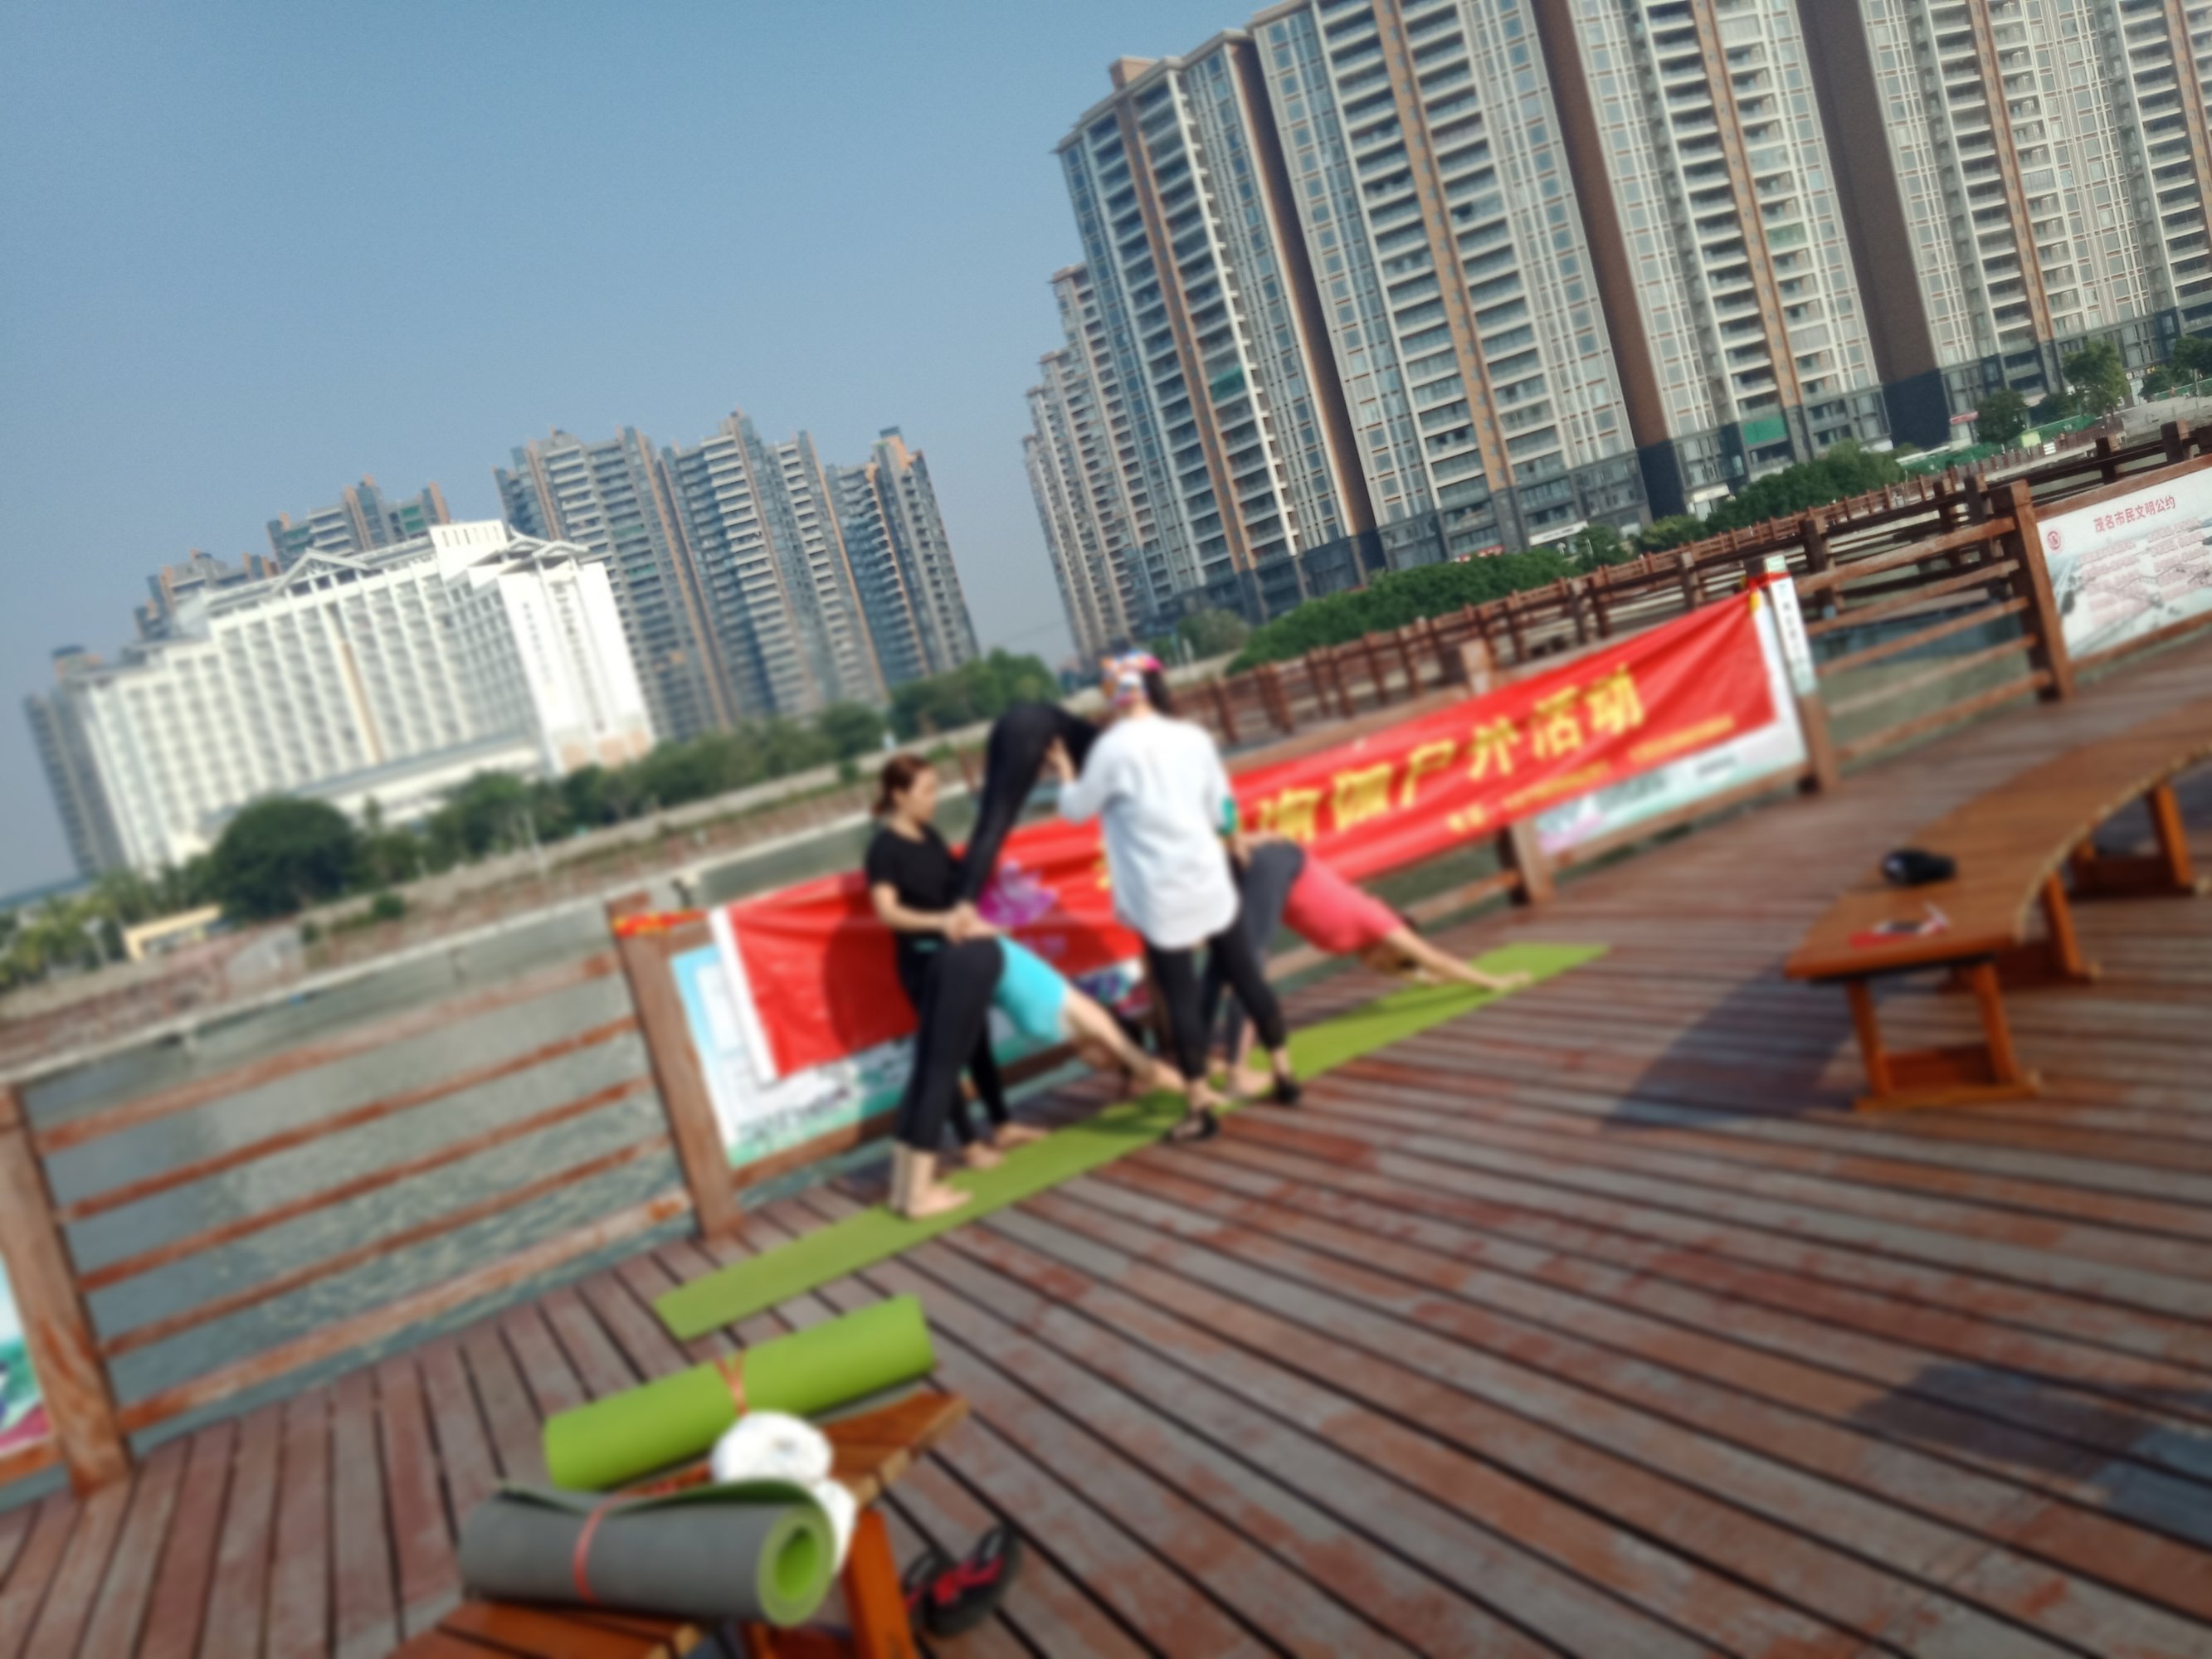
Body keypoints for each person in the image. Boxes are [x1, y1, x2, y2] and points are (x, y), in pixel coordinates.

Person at [1049, 654, 1298, 1144]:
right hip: (1208, 878)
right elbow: (1222, 808)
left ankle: (1200, 1105)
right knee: (1247, 976)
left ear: (1111, 695)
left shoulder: (1111, 750)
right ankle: (1284, 1073)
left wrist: (1063, 772)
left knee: (1180, 996)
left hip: (1158, 892)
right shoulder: (1192, 737)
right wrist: (1233, 840)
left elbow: (1077, 809)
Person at [1206, 832, 1532, 1094]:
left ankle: (1199, 1058)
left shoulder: (1371, 944)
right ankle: (1237, 1073)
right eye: (1390, 959)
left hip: (1269, 863)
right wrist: (1493, 981)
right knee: (1248, 966)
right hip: (1276, 864)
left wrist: (1429, 979)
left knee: (1221, 962)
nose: (1377, 965)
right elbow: (1435, 959)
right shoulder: (1379, 922)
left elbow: (1424, 971)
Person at [865, 755, 1030, 1217]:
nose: (934, 800)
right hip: (925, 963)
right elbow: (887, 912)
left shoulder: (931, 835)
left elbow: (956, 886)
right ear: (898, 796)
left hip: (958, 957)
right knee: (942, 1062)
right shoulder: (884, 849)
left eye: (936, 790)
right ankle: (964, 1148)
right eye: (926, 792)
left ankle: (996, 1127)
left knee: (971, 1046)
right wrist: (938, 923)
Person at [957, 702, 1102, 908]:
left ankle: (962, 895)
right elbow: (1077, 810)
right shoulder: (1105, 754)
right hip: (1033, 730)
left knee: (989, 821)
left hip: (1015, 720)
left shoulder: (1102, 744)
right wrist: (1064, 769)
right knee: (996, 822)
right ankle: (964, 904)